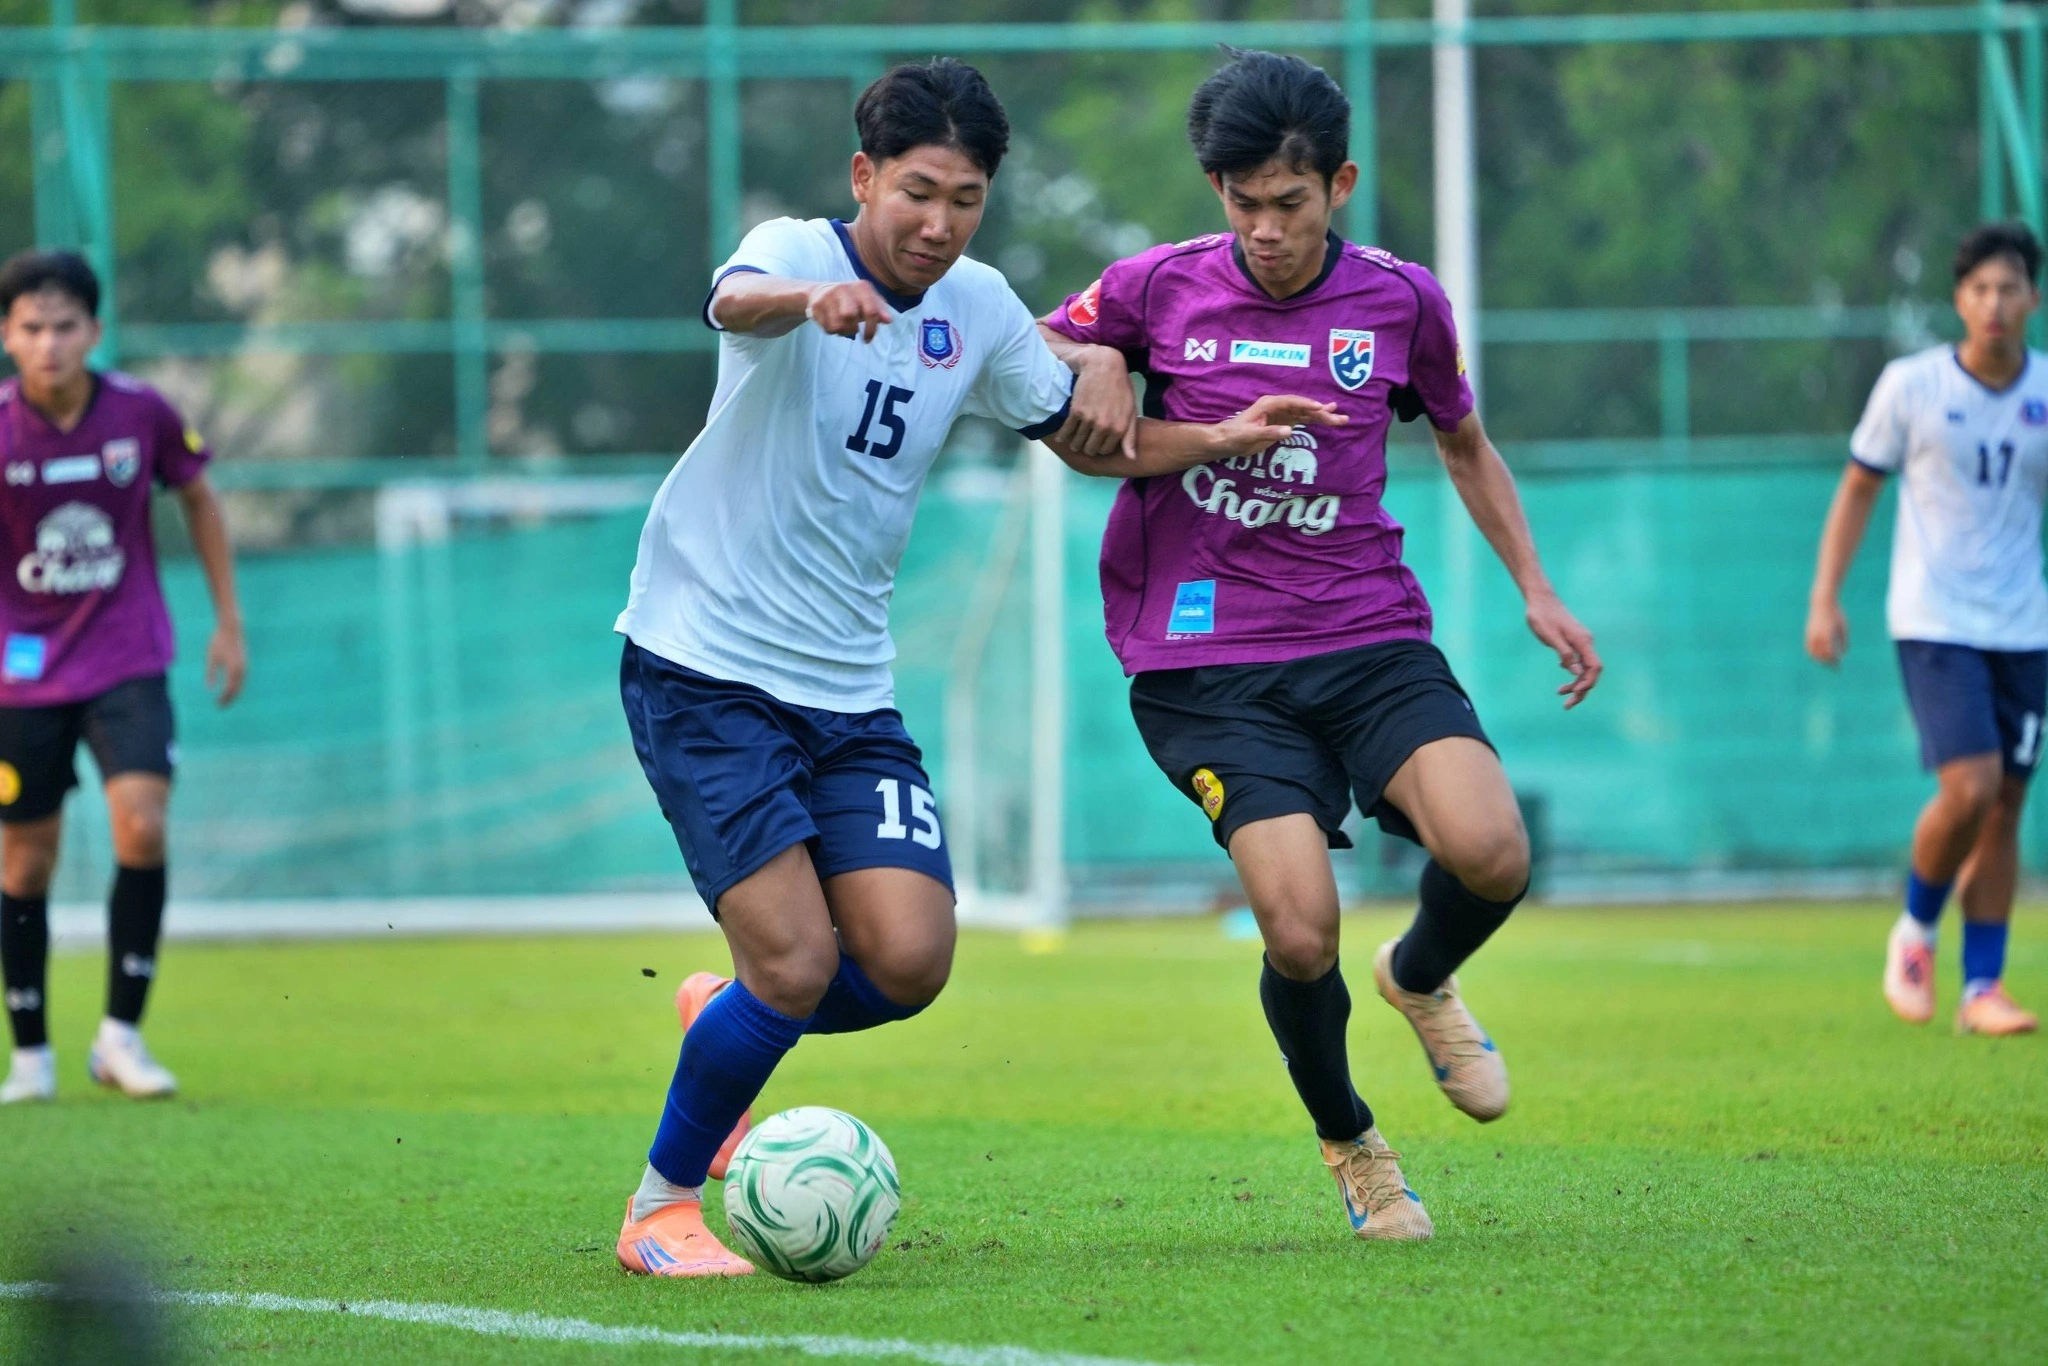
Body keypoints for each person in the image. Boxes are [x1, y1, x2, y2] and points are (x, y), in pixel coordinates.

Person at [1038, 49, 1602, 1242]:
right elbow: (1035, 349)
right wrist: (1093, 353)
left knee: (1492, 850)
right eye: (1239, 205)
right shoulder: (1154, 286)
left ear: (1336, 184)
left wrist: (1535, 589)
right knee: (1296, 927)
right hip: (1205, 667)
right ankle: (1353, 1143)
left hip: (1364, 634)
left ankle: (1417, 975)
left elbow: (1461, 443)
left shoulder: (1400, 301)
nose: (1263, 232)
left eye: (1286, 205)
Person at [610, 58, 1134, 1277]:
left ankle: (723, 1018)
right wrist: (810, 299)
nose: (938, 223)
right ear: (864, 177)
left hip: (849, 692)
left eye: (964, 198)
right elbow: (732, 301)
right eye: (915, 191)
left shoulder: (983, 306)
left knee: (905, 961)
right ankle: (660, 1208)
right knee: (793, 961)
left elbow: (1080, 430)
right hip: (703, 667)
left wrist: (1187, 419)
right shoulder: (793, 248)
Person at [0, 249, 246, 1104]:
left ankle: (120, 1036)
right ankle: (29, 1052)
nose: (50, 343)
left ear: (93, 332)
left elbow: (201, 496)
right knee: (25, 861)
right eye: (32, 327)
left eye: (66, 326)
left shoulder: (138, 412)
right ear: (8, 336)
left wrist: (228, 622)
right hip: (21, 673)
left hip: (126, 656)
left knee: (141, 825)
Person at [1808, 221, 2048, 1038]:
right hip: (1935, 619)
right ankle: (1914, 933)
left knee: (2008, 806)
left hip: (2024, 626)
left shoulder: (2045, 393)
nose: (1995, 303)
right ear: (1959, 300)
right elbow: (1857, 491)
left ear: (2033, 299)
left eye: (2010, 288)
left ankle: (1983, 986)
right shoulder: (1911, 387)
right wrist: (1824, 598)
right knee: (1970, 788)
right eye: (1980, 289)